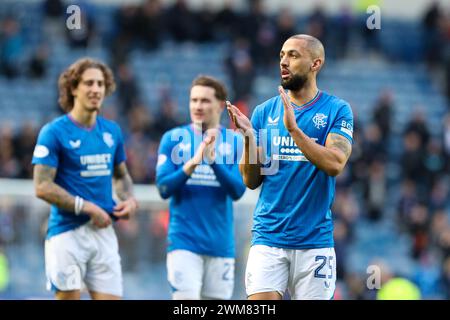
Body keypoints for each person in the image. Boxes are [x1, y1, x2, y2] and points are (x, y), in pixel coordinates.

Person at [227, 34, 354, 300]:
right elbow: (251, 180)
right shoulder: (263, 112)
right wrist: (250, 139)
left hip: (314, 242)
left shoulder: (336, 110)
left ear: (315, 63)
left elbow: (335, 163)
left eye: (293, 55)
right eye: (282, 55)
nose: (284, 62)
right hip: (268, 237)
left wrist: (294, 130)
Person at [32, 58, 138, 300]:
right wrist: (86, 207)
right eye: (89, 83)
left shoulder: (112, 131)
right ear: (73, 88)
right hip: (67, 233)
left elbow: (122, 176)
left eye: (101, 84)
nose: (96, 89)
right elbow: (41, 186)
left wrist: (128, 199)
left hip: (103, 232)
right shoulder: (53, 132)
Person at [156, 75, 246, 300]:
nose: (197, 106)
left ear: (220, 105)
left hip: (220, 245)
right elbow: (164, 188)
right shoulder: (173, 138)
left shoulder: (235, 142)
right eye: (193, 100)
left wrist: (213, 161)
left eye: (205, 101)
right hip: (183, 242)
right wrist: (193, 163)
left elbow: (238, 191)